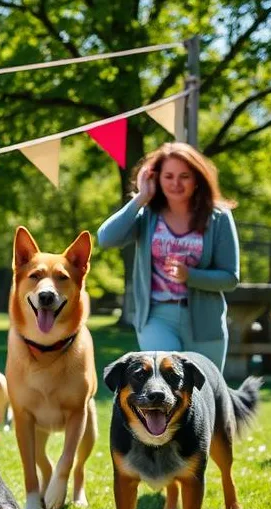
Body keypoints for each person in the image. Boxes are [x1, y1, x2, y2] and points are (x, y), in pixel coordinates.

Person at [98, 142, 240, 371]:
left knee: (206, 398)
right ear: (156, 178)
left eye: (184, 176)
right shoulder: (147, 215)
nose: (176, 183)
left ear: (197, 179)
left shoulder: (219, 217)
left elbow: (230, 278)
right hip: (156, 317)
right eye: (168, 176)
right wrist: (141, 198)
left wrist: (190, 276)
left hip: (205, 321)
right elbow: (106, 239)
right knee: (167, 386)